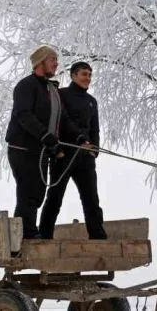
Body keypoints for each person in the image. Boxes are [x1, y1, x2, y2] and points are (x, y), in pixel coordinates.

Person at [5, 44, 88, 240]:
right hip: (23, 148)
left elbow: (63, 119)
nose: (56, 64)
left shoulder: (51, 89)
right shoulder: (26, 86)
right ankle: (25, 234)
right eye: (53, 60)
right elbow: (23, 114)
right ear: (41, 62)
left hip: (42, 149)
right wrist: (45, 135)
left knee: (38, 191)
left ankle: (27, 231)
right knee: (29, 190)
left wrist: (80, 137)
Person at [38, 61, 108, 240]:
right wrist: (77, 141)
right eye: (84, 74)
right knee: (55, 197)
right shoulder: (61, 95)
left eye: (90, 75)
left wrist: (95, 150)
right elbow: (62, 120)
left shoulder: (92, 101)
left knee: (91, 198)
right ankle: (44, 235)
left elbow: (95, 129)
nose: (88, 78)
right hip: (64, 153)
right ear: (73, 75)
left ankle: (97, 235)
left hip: (85, 157)